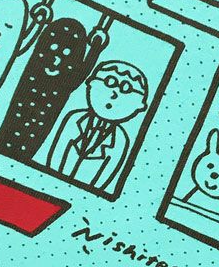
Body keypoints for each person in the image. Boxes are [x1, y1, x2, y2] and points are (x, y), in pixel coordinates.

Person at [46, 60, 148, 193]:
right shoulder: (75, 119)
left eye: (126, 89)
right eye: (110, 82)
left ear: (139, 105)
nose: (114, 93)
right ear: (91, 83)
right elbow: (56, 153)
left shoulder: (120, 140)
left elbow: (106, 176)